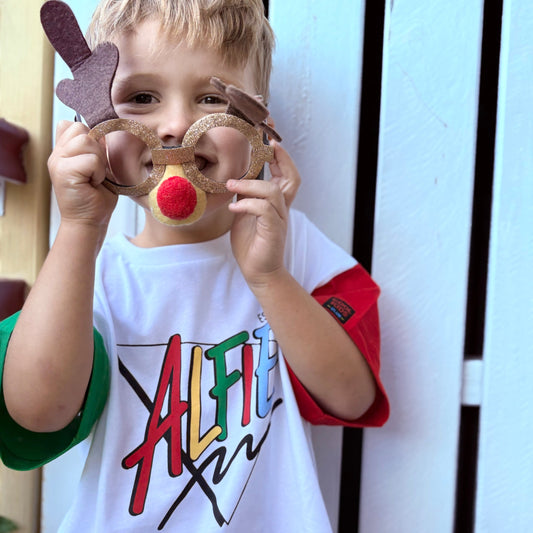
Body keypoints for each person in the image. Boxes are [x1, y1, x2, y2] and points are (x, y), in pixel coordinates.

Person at [0, 0, 389, 531]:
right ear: (90, 130)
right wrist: (79, 229)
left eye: (211, 97)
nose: (178, 125)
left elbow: (351, 397)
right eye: (141, 98)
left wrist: (268, 279)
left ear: (262, 128)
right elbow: (37, 412)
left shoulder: (291, 250)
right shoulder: (90, 270)